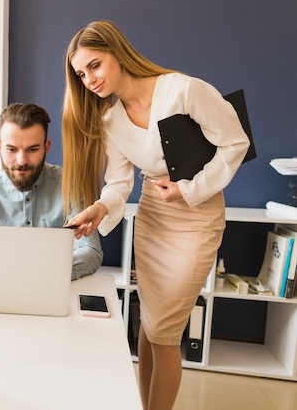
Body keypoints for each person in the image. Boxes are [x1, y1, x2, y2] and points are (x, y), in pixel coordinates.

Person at [61, 21, 249, 410]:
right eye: (81, 74)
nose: (89, 80)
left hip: (196, 219)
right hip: (153, 219)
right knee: (149, 324)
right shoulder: (110, 120)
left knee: (164, 333)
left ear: (117, 52)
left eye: (94, 66)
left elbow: (235, 142)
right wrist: (98, 208)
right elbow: (118, 184)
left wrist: (188, 188)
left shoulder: (183, 89)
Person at [0, 103, 103, 280]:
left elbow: (90, 250)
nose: (21, 160)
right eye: (11, 149)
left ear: (46, 147)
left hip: (56, 287)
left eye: (32, 149)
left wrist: (50, 273)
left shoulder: (70, 185)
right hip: (1, 286)